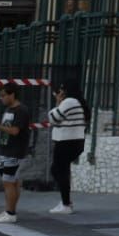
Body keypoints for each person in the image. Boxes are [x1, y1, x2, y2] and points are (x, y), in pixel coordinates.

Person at [0, 84, 31, 223]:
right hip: (6, 148)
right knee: (11, 181)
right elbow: (7, 129)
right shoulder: (8, 110)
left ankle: (11, 213)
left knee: (8, 181)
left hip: (15, 150)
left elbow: (15, 131)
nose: (1, 98)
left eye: (3, 95)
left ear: (12, 95)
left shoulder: (21, 110)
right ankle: (9, 210)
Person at [47, 79, 89, 215]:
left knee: (58, 170)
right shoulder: (77, 102)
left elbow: (53, 117)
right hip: (73, 141)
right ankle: (66, 201)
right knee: (61, 170)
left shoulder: (69, 102)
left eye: (62, 90)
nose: (60, 92)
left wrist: (58, 102)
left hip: (66, 141)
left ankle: (66, 204)